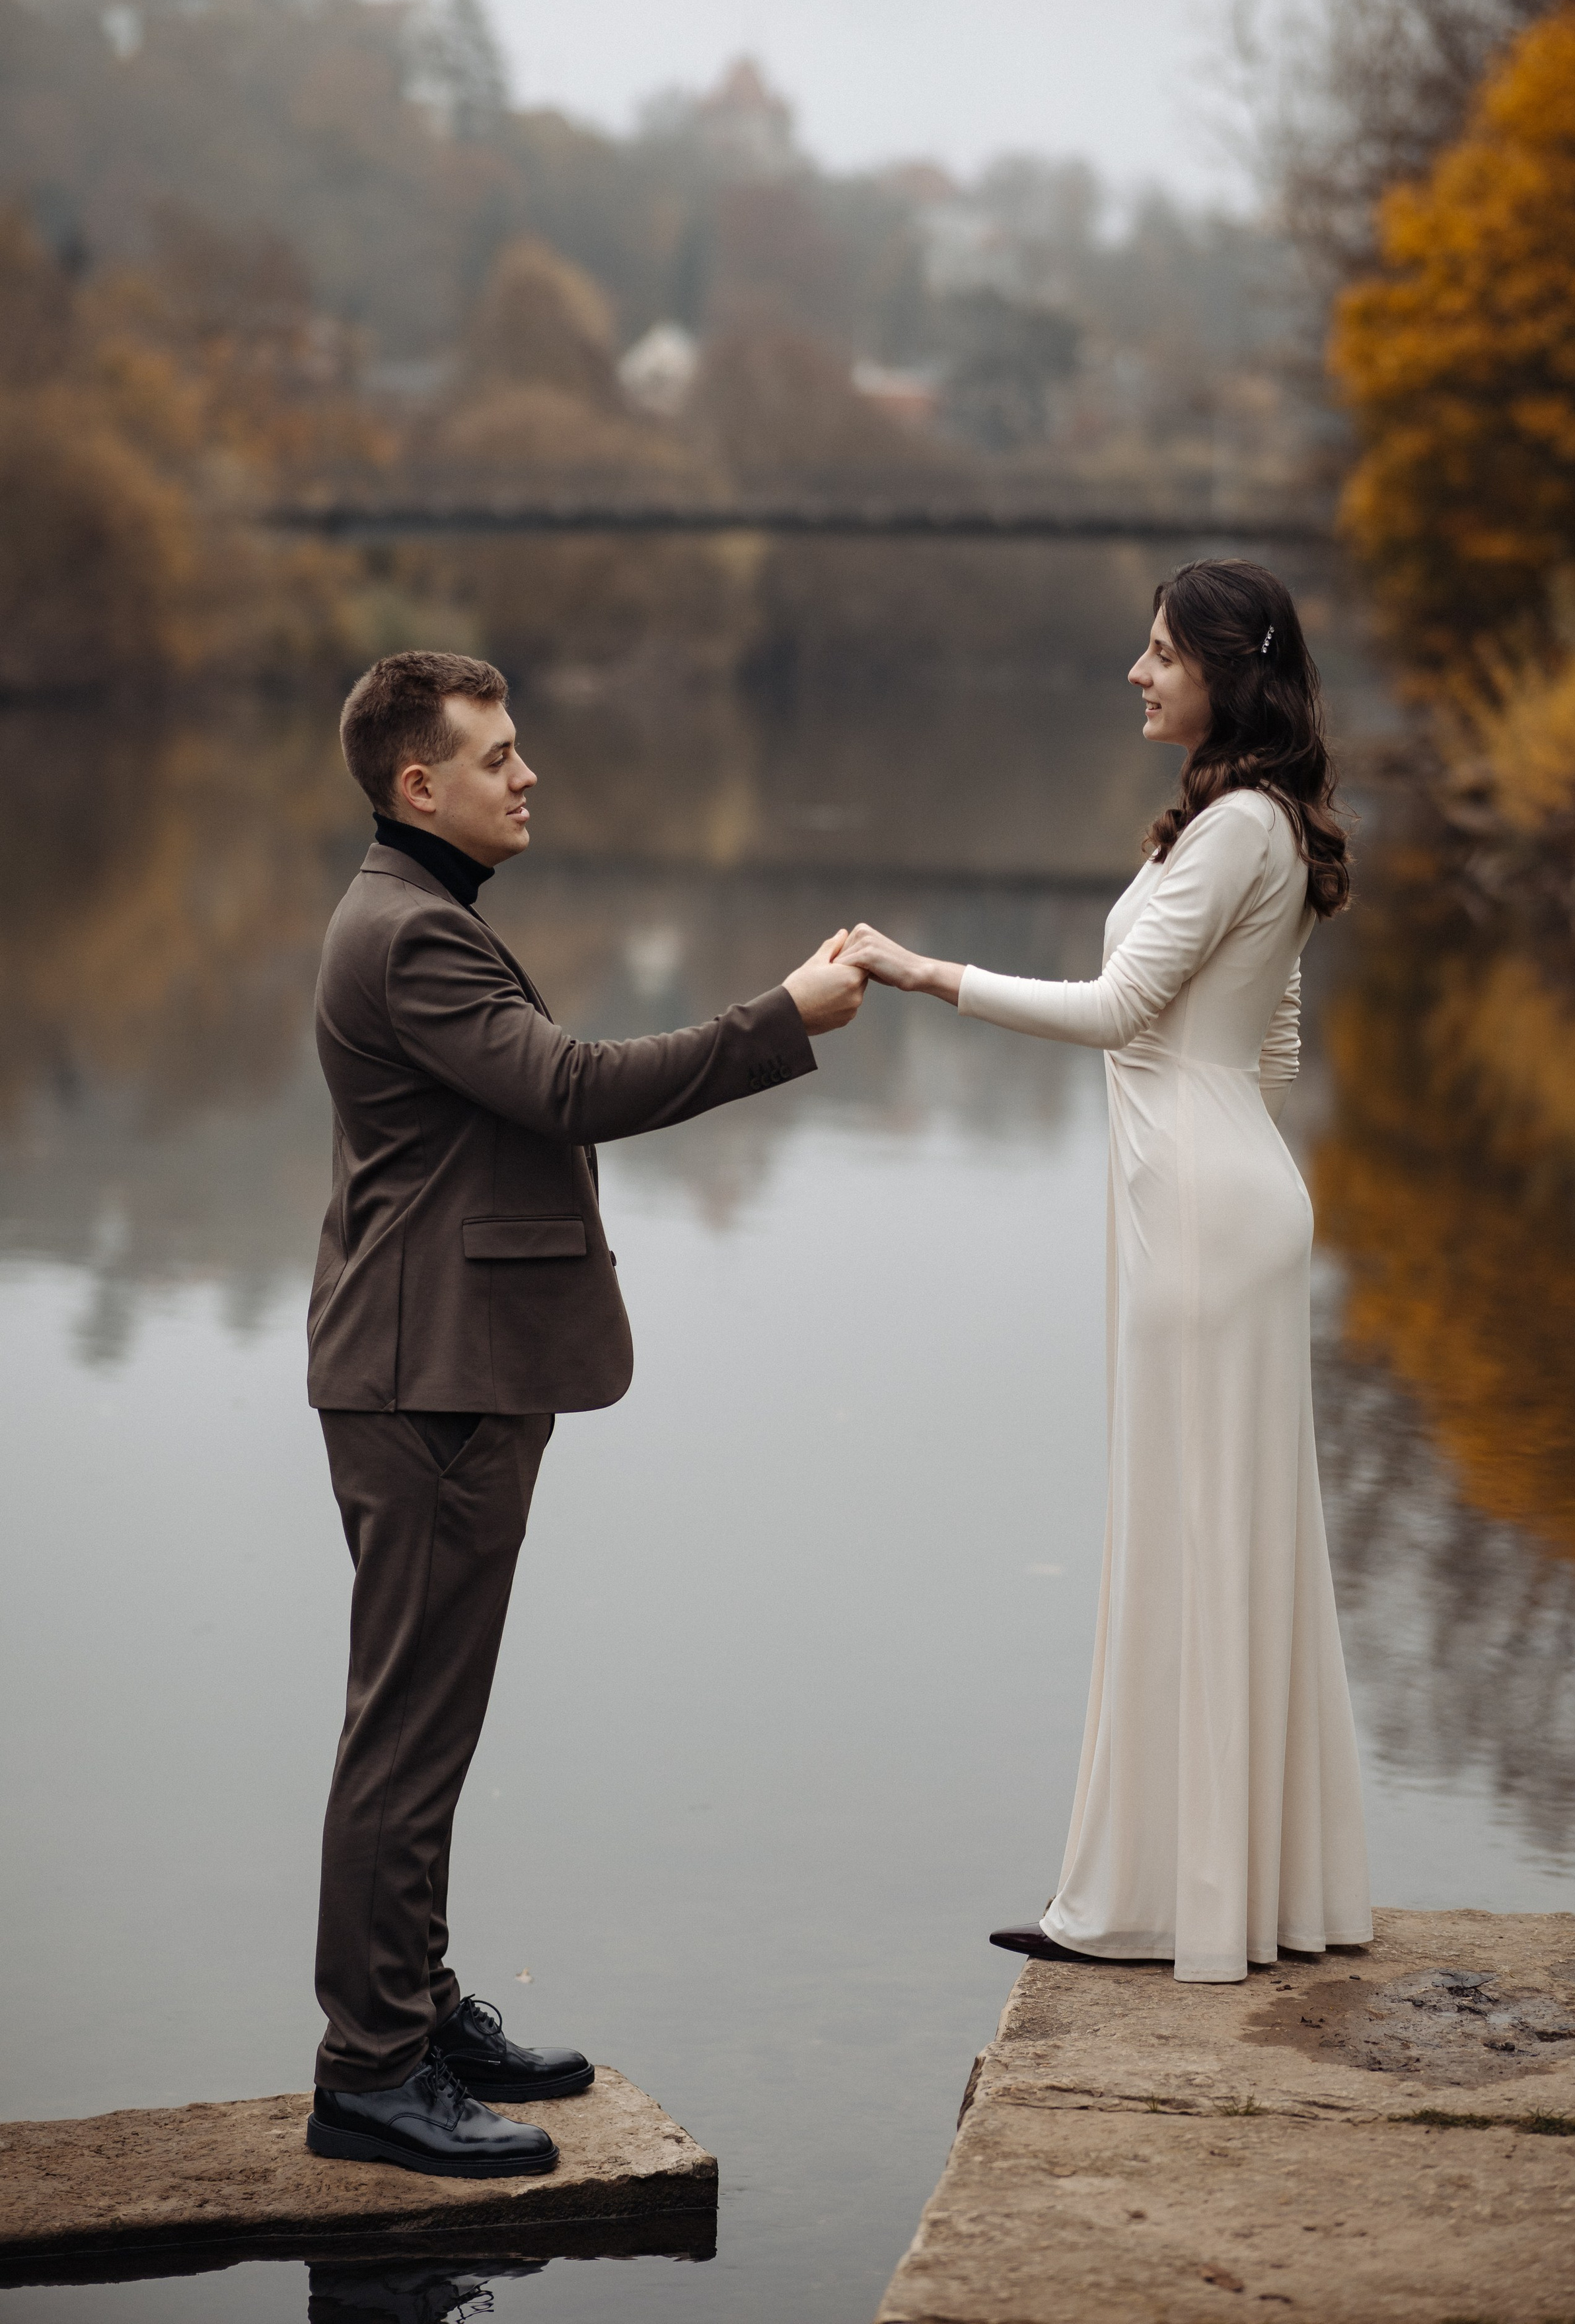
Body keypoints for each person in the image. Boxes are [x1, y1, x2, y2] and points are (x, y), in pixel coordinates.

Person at [305, 650, 863, 2178]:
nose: (526, 773)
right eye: (496, 756)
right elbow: (567, 1088)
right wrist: (782, 1018)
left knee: (427, 1718)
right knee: (406, 1735)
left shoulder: (419, 918)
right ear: (420, 785)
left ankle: (413, 2011)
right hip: (428, 1379)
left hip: (446, 1367)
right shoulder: (412, 938)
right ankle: (368, 2073)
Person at [840, 560, 1372, 1983]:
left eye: (1155, 654)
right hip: (1217, 1187)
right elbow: (1267, 1049)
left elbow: (1123, 1010)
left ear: (1222, 671)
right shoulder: (1243, 823)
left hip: (1200, 1204)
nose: (1133, 674)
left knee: (1197, 1542)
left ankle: (1169, 1908)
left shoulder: (1234, 827)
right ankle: (1197, 1895)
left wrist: (920, 970)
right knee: (1213, 1541)